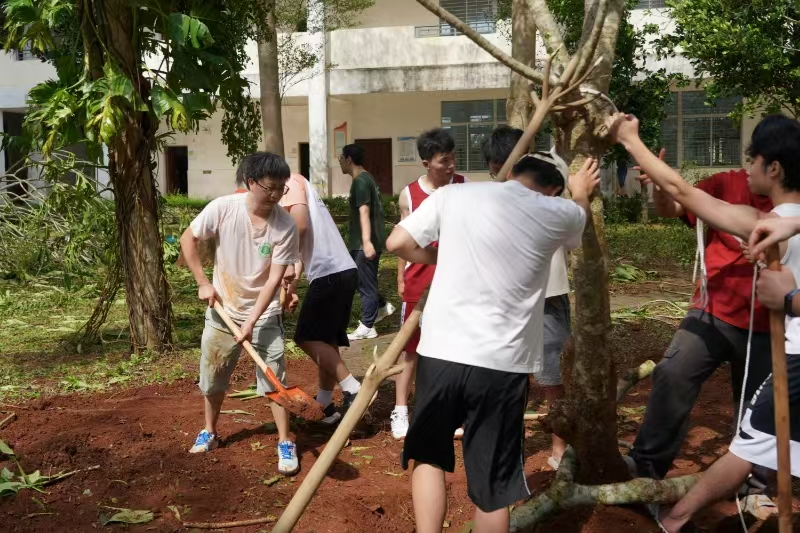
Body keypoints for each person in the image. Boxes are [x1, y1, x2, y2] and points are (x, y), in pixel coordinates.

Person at [606, 112, 800, 532]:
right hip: (717, 315)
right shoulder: (755, 210)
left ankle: (749, 490)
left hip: (781, 342)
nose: (748, 168)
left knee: (754, 424)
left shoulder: (765, 221)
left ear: (775, 167)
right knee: (684, 381)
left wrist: (629, 139)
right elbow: (676, 196)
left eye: (755, 160)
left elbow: (682, 189)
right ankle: (651, 476)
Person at [387, 152, 600, 533]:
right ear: (554, 189)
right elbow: (579, 221)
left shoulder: (454, 196)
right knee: (494, 486)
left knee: (429, 457)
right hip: (503, 364)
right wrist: (580, 192)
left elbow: (397, 242)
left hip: (440, 352)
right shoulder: (558, 212)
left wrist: (437, 255)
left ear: (514, 171)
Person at [180, 152, 301, 475]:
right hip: (222, 311)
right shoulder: (223, 209)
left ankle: (285, 441)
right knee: (213, 376)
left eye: (282, 188)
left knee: (275, 378)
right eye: (271, 187)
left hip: (263, 314)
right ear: (251, 183)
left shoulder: (285, 225)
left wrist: (251, 321)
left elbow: (275, 278)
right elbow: (188, 238)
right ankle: (210, 431)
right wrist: (203, 282)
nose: (276, 195)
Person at [482, 125, 572, 468]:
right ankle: (508, 446)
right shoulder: (489, 199)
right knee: (508, 376)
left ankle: (559, 451)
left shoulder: (547, 185)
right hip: (506, 300)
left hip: (548, 294)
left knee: (553, 376)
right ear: (493, 166)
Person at [390, 128, 467, 440]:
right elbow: (401, 236)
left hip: (456, 282)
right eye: (443, 160)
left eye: (453, 158)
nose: (450, 166)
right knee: (410, 350)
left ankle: (450, 409)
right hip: (419, 281)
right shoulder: (409, 194)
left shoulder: (464, 187)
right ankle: (400, 409)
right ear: (426, 163)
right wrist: (399, 275)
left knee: (453, 348)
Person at [279, 172, 361, 424]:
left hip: (330, 272)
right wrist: (291, 287)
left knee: (306, 337)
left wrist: (286, 261)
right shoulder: (299, 185)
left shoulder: (288, 181)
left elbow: (300, 225)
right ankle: (325, 404)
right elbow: (303, 246)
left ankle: (353, 388)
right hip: (340, 270)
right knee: (326, 341)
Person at [339, 144, 395, 340]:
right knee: (359, 279)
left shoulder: (360, 182)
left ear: (348, 159)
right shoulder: (367, 178)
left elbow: (364, 211)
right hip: (365, 240)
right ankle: (381, 305)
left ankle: (367, 326)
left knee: (364, 283)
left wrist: (366, 242)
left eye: (341, 157)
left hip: (364, 242)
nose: (339, 161)